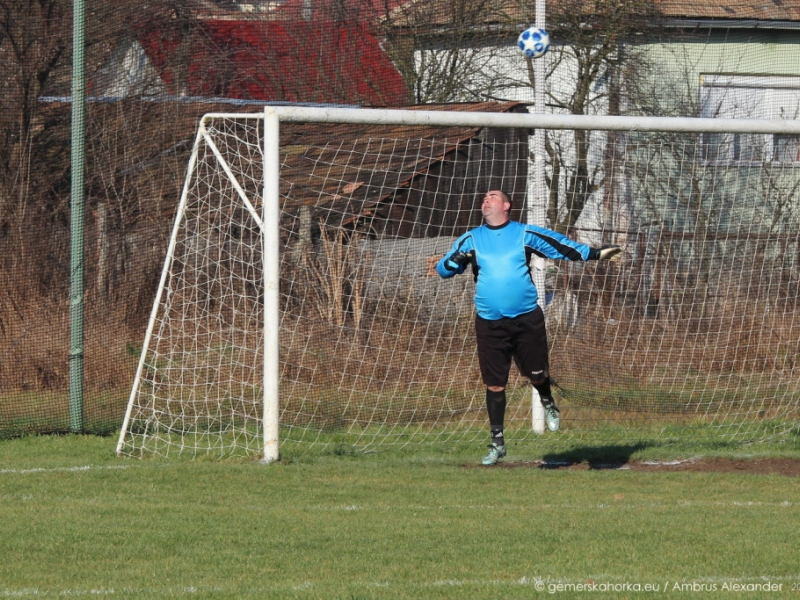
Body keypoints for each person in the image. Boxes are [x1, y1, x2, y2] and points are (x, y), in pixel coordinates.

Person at [436, 190, 622, 465]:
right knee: (495, 384)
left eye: (493, 196)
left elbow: (560, 246)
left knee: (536, 374)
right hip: (489, 323)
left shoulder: (525, 234)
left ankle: (547, 400)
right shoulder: (471, 238)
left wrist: (595, 254)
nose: (486, 200)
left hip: (526, 319)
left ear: (506, 205)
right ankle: (497, 443)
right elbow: (443, 268)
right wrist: (454, 261)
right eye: (484, 197)